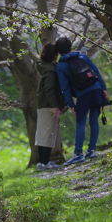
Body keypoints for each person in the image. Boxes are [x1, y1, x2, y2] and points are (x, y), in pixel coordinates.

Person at [56, 36, 109, 165]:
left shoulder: (61, 66)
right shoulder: (82, 56)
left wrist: (71, 104)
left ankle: (78, 154)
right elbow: (95, 72)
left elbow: (65, 88)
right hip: (96, 90)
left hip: (82, 94)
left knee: (80, 122)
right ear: (70, 47)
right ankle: (91, 151)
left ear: (58, 52)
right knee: (94, 120)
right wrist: (103, 88)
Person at [35, 41, 67, 171]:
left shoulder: (48, 66)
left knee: (47, 133)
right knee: (46, 134)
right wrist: (54, 106)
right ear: (54, 55)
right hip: (48, 106)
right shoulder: (49, 71)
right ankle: (43, 163)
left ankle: (45, 162)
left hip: (46, 105)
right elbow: (49, 90)